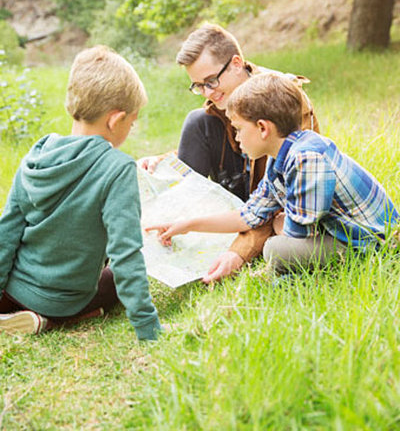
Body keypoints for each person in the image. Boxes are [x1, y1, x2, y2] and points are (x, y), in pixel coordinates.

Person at [148, 73, 399, 274]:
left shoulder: (306, 159)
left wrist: (282, 222)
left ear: (262, 128)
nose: (236, 138)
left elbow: (298, 235)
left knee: (275, 250)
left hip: (371, 241)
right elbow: (249, 216)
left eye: (237, 129)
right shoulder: (278, 159)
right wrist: (188, 225)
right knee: (278, 243)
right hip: (343, 231)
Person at [0, 45, 161, 339]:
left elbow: (6, 234)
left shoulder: (36, 155)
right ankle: (50, 320)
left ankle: (14, 311)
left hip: (14, 288)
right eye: (132, 121)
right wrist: (148, 328)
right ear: (115, 119)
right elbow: (125, 254)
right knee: (113, 281)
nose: (131, 127)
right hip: (63, 300)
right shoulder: (117, 167)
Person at [144, 23, 320, 282]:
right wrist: (163, 162)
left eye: (211, 81)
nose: (207, 92)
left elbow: (282, 197)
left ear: (237, 63)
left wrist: (239, 253)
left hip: (274, 202)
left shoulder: (284, 99)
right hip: (244, 196)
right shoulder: (219, 103)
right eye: (198, 86)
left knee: (281, 226)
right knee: (197, 122)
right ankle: (173, 231)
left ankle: (229, 239)